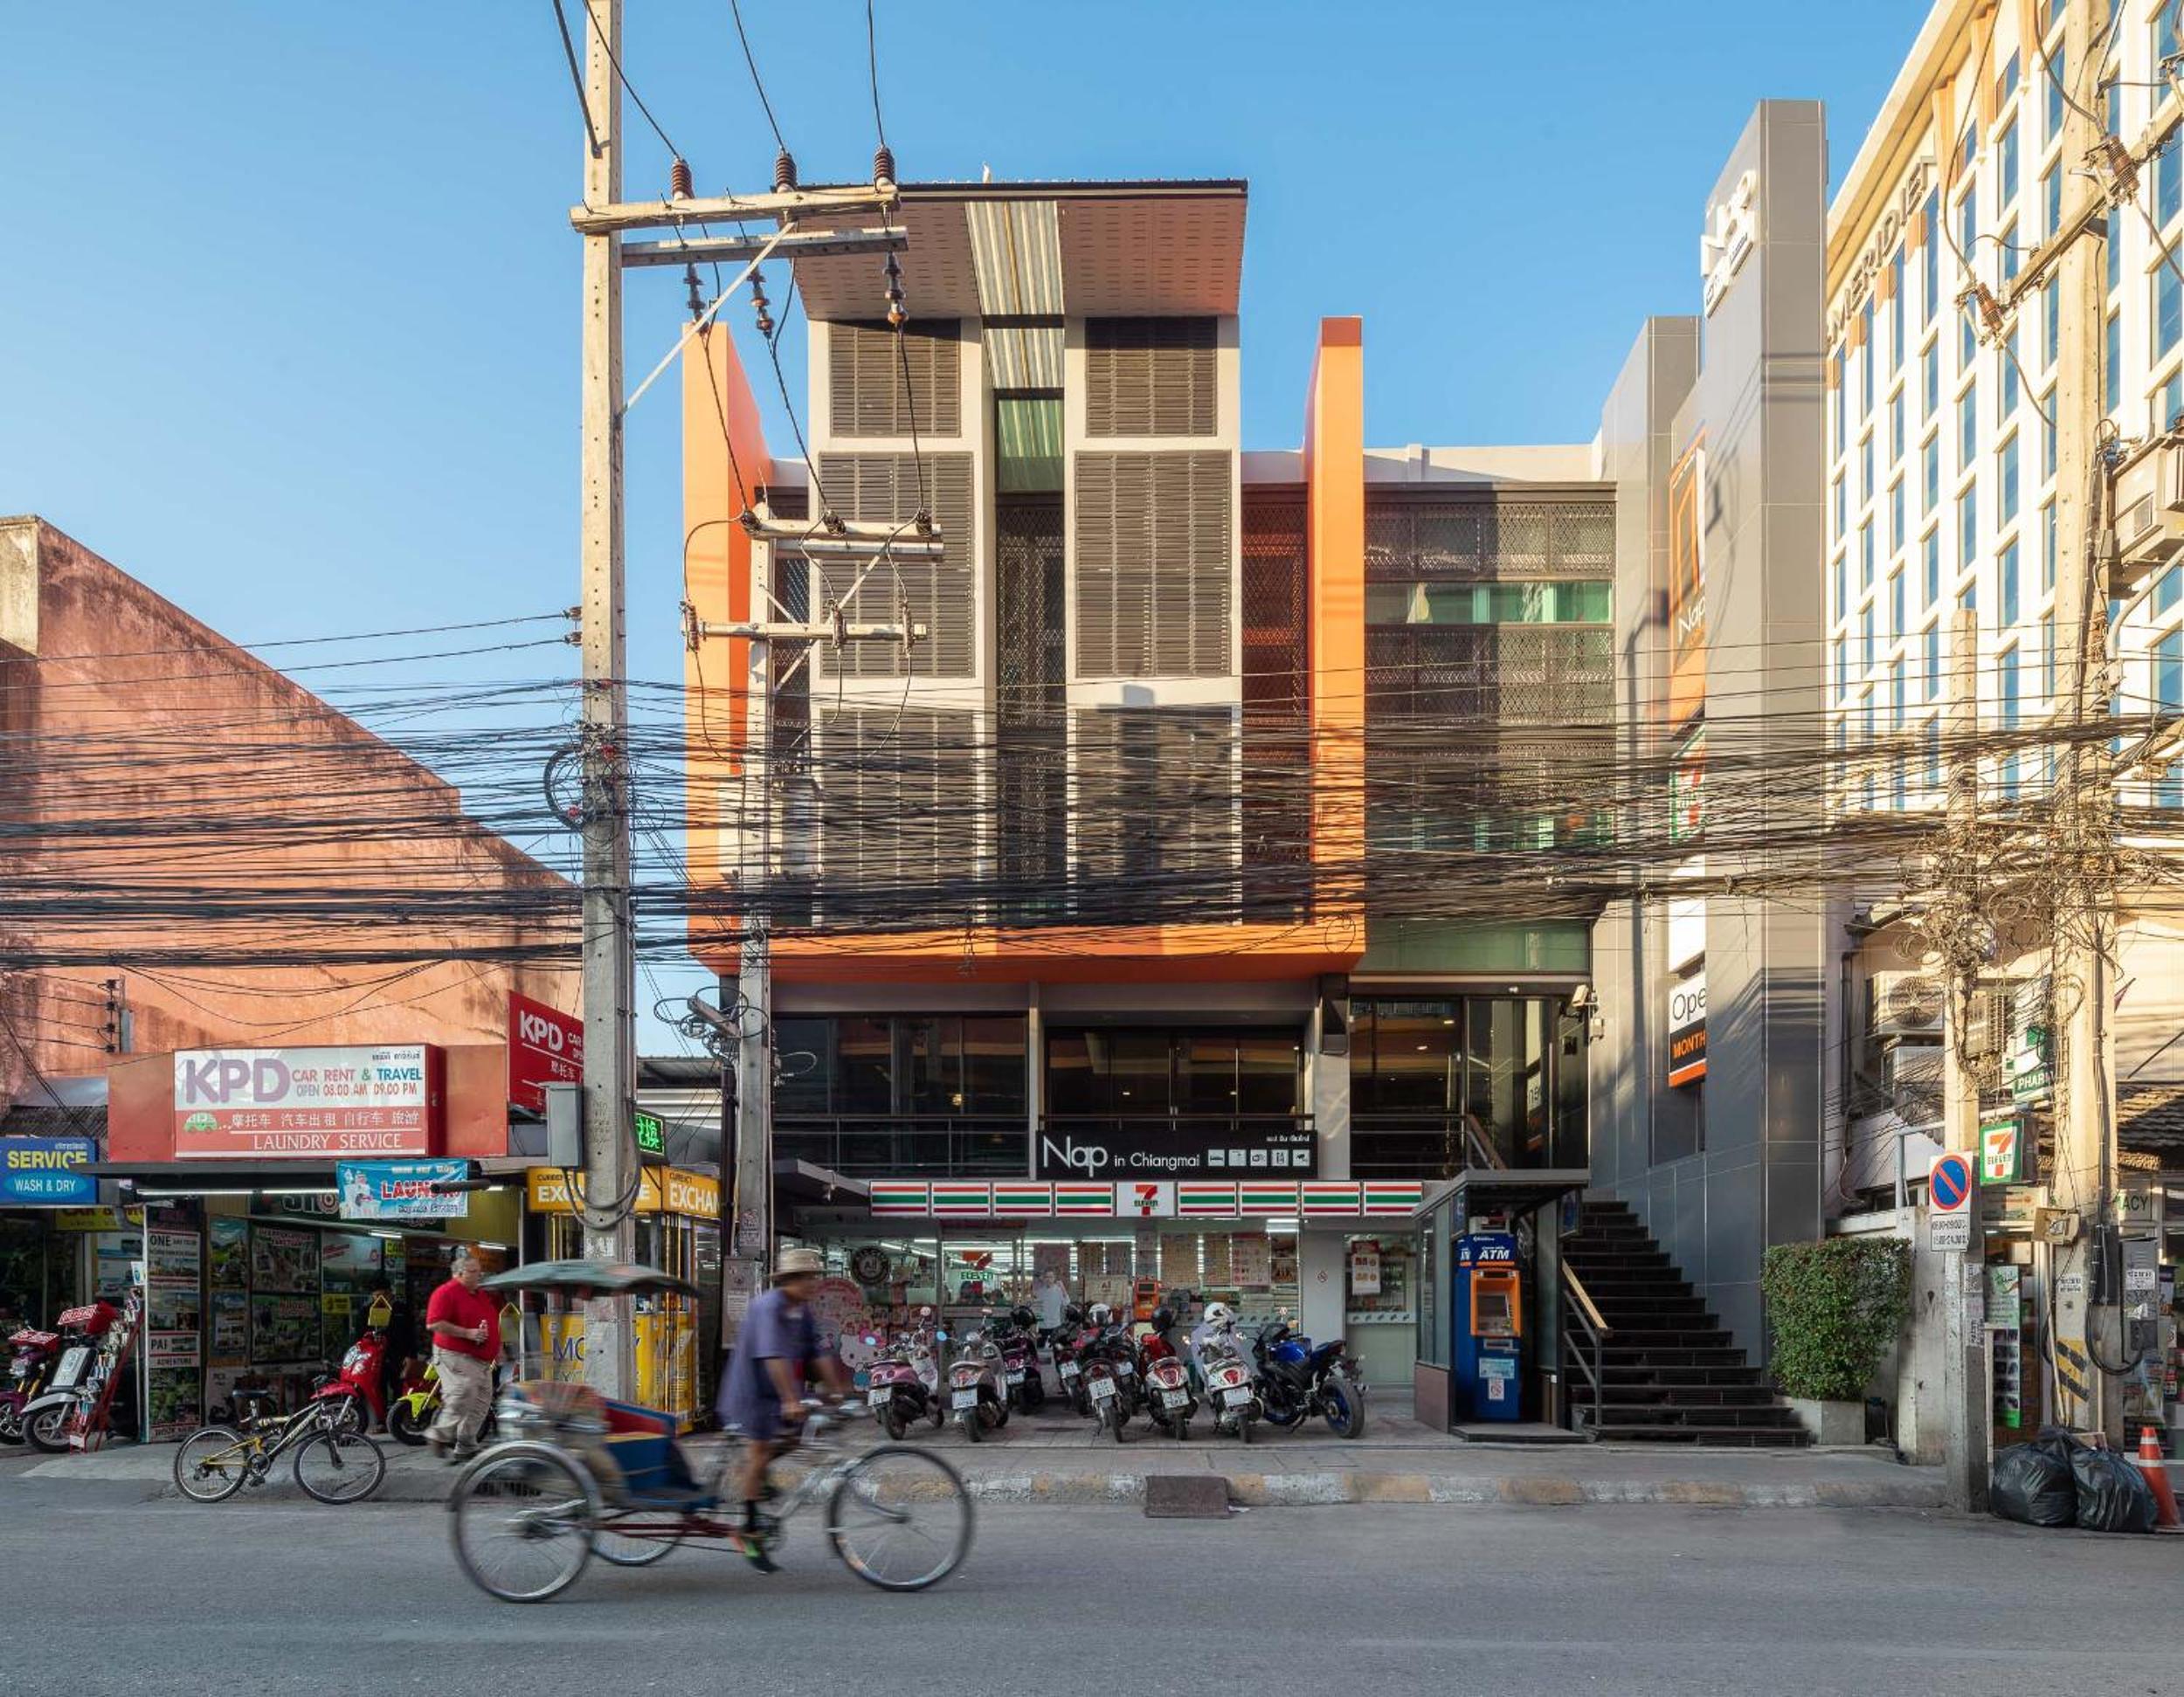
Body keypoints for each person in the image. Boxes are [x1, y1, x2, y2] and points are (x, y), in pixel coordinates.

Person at [716, 1246, 849, 1571]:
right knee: (760, 1453)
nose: (813, 1284)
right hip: (751, 1393)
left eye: (814, 1277)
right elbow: (772, 1355)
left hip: (778, 1394)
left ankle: (753, 1473)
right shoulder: (769, 1306)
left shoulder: (801, 1311)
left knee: (796, 1438)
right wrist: (791, 1399)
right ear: (790, 1280)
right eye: (807, 1278)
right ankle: (749, 1532)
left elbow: (817, 1352)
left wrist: (837, 1392)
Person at [423, 1251, 499, 1462]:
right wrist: (467, 1333)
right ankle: (438, 1434)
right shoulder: (445, 1292)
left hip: (480, 1358)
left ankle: (466, 1444)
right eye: (473, 1272)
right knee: (463, 1390)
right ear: (458, 1274)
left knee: (482, 1400)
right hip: (455, 1353)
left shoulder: (479, 1294)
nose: (478, 1275)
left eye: (479, 1271)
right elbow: (433, 1323)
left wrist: (497, 1348)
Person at [1033, 1268, 1068, 1340]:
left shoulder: (1059, 1290)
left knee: (1054, 1345)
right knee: (1041, 1346)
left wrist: (1063, 1288)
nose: (1048, 1279)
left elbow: (1066, 1302)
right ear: (1044, 1278)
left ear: (1054, 1278)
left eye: (1051, 1277)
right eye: (1046, 1277)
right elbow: (1037, 1310)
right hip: (1043, 1326)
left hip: (1055, 1325)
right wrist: (1037, 1326)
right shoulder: (1040, 1292)